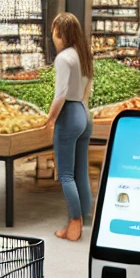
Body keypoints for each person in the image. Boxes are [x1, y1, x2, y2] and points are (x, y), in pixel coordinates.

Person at [45, 12, 93, 242]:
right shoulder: (82, 54)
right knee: (80, 171)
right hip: (84, 114)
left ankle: (74, 224)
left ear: (60, 33)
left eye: (54, 30)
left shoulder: (64, 58)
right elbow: (86, 88)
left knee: (65, 174)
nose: (52, 35)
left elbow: (61, 94)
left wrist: (51, 118)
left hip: (69, 115)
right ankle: (86, 216)